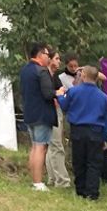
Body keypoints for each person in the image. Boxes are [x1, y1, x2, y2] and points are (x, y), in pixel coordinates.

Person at [56, 65, 107, 199]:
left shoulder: (74, 91)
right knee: (94, 162)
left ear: (84, 76)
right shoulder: (103, 97)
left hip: (78, 130)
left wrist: (60, 95)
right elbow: (106, 120)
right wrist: (104, 138)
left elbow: (64, 105)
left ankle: (80, 189)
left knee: (79, 160)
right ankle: (92, 191)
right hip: (95, 131)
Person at [20, 42, 57, 192]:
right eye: (48, 55)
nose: (49, 58)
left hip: (29, 112)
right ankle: (38, 182)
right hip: (42, 114)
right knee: (41, 147)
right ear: (40, 55)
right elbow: (48, 93)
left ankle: (34, 180)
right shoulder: (41, 71)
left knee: (35, 146)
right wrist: (58, 93)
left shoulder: (25, 70)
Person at [45, 51, 72, 189]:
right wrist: (57, 93)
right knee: (56, 145)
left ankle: (52, 177)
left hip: (57, 111)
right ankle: (62, 180)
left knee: (52, 146)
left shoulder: (54, 76)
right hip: (51, 112)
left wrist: (60, 92)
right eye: (56, 58)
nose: (59, 61)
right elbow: (53, 93)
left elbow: (61, 90)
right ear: (49, 59)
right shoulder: (44, 75)